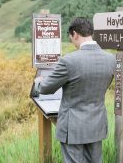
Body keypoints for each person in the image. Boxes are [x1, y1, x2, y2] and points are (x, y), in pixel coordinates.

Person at [33, 17, 116, 163]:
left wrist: (39, 82)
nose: (72, 41)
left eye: (71, 37)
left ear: (75, 34)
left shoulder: (69, 60)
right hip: (97, 123)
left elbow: (46, 88)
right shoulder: (110, 59)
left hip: (73, 127)